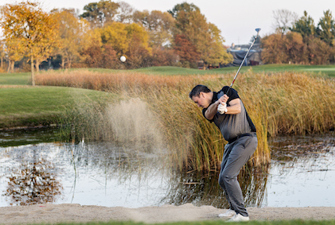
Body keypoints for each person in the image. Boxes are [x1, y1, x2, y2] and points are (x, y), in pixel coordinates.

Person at [189, 84, 257, 222]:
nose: (198, 105)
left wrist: (225, 108)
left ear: (202, 94)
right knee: (222, 180)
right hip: (231, 143)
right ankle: (233, 209)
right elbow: (208, 114)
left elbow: (237, 108)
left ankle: (242, 215)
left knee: (228, 176)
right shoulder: (208, 109)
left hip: (245, 139)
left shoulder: (227, 91)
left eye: (197, 101)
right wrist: (218, 103)